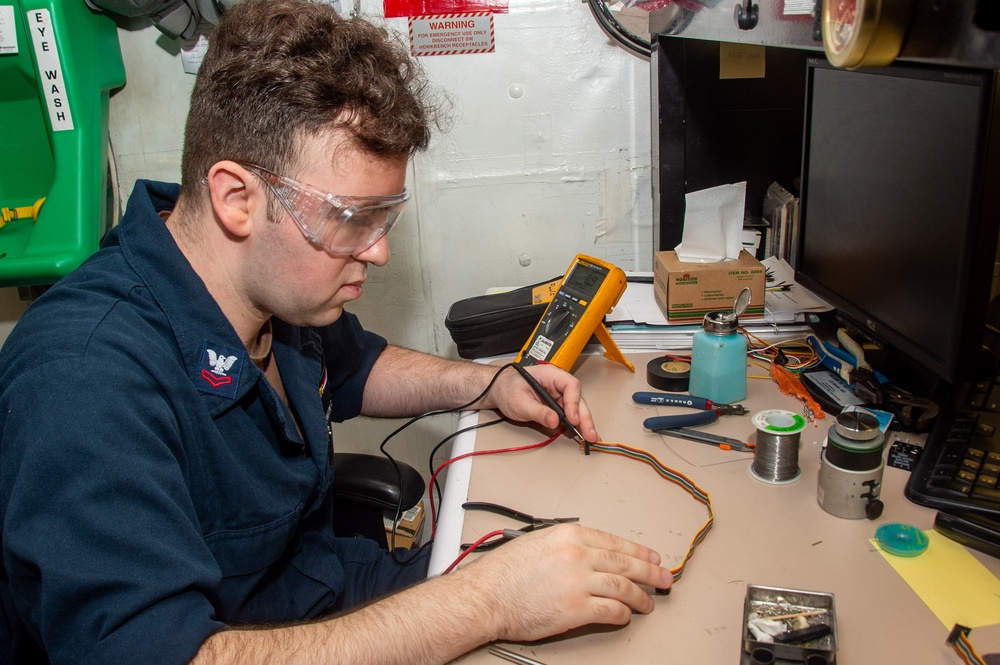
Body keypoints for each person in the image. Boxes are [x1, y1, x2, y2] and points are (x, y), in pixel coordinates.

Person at [0, 1, 673, 663]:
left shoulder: (274, 290)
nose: (377, 250)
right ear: (238, 199)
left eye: (386, 215)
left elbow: (355, 367)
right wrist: (484, 601)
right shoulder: (81, 379)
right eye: (353, 215)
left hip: (326, 587)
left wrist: (490, 384)